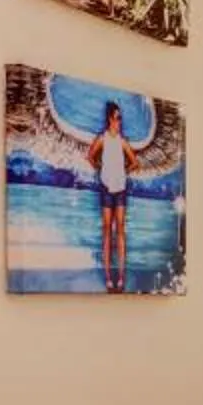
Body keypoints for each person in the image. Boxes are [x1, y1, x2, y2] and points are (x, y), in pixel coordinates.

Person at [87, 99, 135, 293]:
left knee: (120, 231)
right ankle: (108, 277)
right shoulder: (102, 139)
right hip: (106, 188)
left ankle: (122, 277)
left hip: (121, 188)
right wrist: (101, 170)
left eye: (120, 118)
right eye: (117, 117)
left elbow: (135, 162)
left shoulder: (123, 142)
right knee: (107, 231)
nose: (120, 121)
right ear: (110, 119)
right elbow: (90, 157)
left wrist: (123, 172)